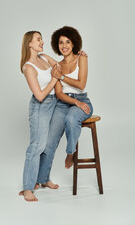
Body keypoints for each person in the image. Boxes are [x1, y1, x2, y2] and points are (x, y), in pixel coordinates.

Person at [19, 30, 87, 201]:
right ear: (29, 44)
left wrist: (78, 54)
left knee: (49, 145)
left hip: (54, 103)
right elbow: (40, 95)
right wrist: (55, 80)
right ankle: (28, 188)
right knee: (37, 146)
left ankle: (43, 179)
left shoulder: (42, 58)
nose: (42, 42)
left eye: (41, 39)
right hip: (41, 107)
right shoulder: (28, 67)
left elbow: (60, 64)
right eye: (38, 40)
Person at [36, 26, 93, 186]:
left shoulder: (81, 58)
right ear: (57, 45)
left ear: (74, 43)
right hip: (64, 103)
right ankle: (42, 179)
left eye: (67, 42)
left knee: (71, 118)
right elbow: (60, 94)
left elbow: (81, 84)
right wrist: (75, 102)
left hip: (82, 100)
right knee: (49, 143)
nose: (64, 45)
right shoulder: (57, 65)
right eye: (61, 43)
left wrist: (62, 77)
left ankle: (70, 153)